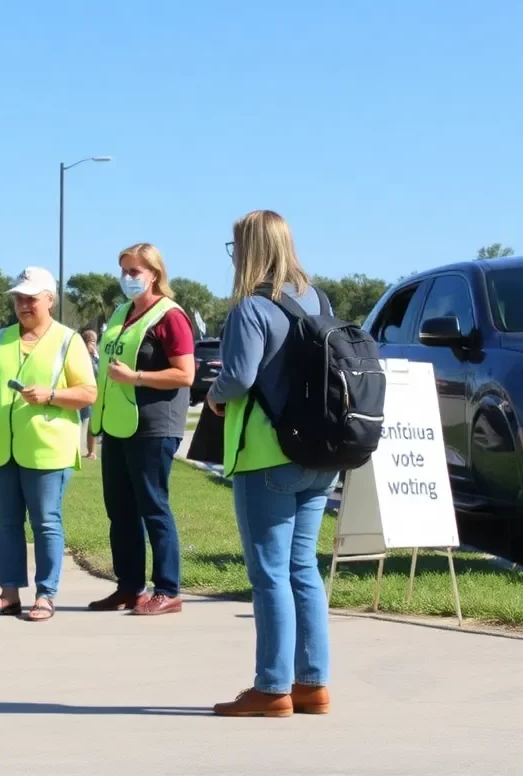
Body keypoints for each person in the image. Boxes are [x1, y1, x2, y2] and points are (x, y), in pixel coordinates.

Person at [207, 210, 337, 718]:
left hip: (267, 455)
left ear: (250, 250)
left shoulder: (251, 309)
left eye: (235, 246)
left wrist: (215, 396)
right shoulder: (317, 299)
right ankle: (313, 683)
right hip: (320, 453)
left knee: (269, 574)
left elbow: (238, 377)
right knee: (303, 567)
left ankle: (271, 687)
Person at [0, 267, 97, 621]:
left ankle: (46, 594)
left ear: (50, 300)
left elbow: (89, 392)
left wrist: (52, 394)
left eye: (31, 298)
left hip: (47, 451)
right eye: (18, 298)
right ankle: (9, 593)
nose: (23, 305)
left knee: (46, 522)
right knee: (6, 523)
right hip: (0, 449)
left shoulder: (68, 340)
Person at [88, 243, 195, 616]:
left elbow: (186, 374)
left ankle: (167, 589)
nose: (128, 278)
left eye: (135, 271)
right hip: (116, 425)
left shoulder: (170, 316)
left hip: (153, 427)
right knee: (120, 510)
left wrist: (137, 376)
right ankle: (129, 587)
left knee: (153, 507)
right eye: (124, 271)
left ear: (155, 274)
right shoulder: (121, 313)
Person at [79, 327, 101, 459]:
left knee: (92, 424)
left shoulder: (97, 357)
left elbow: (99, 372)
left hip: (93, 393)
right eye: (90, 341)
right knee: (78, 421)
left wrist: (95, 356)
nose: (92, 344)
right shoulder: (78, 354)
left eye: (94, 341)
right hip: (79, 391)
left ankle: (92, 452)